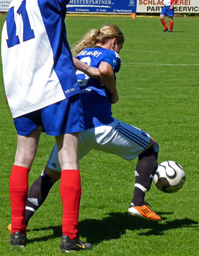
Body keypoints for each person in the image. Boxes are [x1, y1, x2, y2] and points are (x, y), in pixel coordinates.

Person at [1, 0, 145, 252]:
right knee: (68, 157)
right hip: (53, 89)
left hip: (21, 90)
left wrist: (78, 64)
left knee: (23, 156)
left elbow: (49, 43)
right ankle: (69, 236)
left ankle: (18, 232)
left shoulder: (14, 3)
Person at [9, 23, 161, 235]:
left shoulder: (81, 53)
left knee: (49, 175)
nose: (118, 52)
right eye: (119, 48)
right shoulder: (109, 53)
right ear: (114, 42)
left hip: (73, 129)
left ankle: (19, 222)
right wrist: (113, 93)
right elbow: (105, 70)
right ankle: (137, 203)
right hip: (101, 128)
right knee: (150, 147)